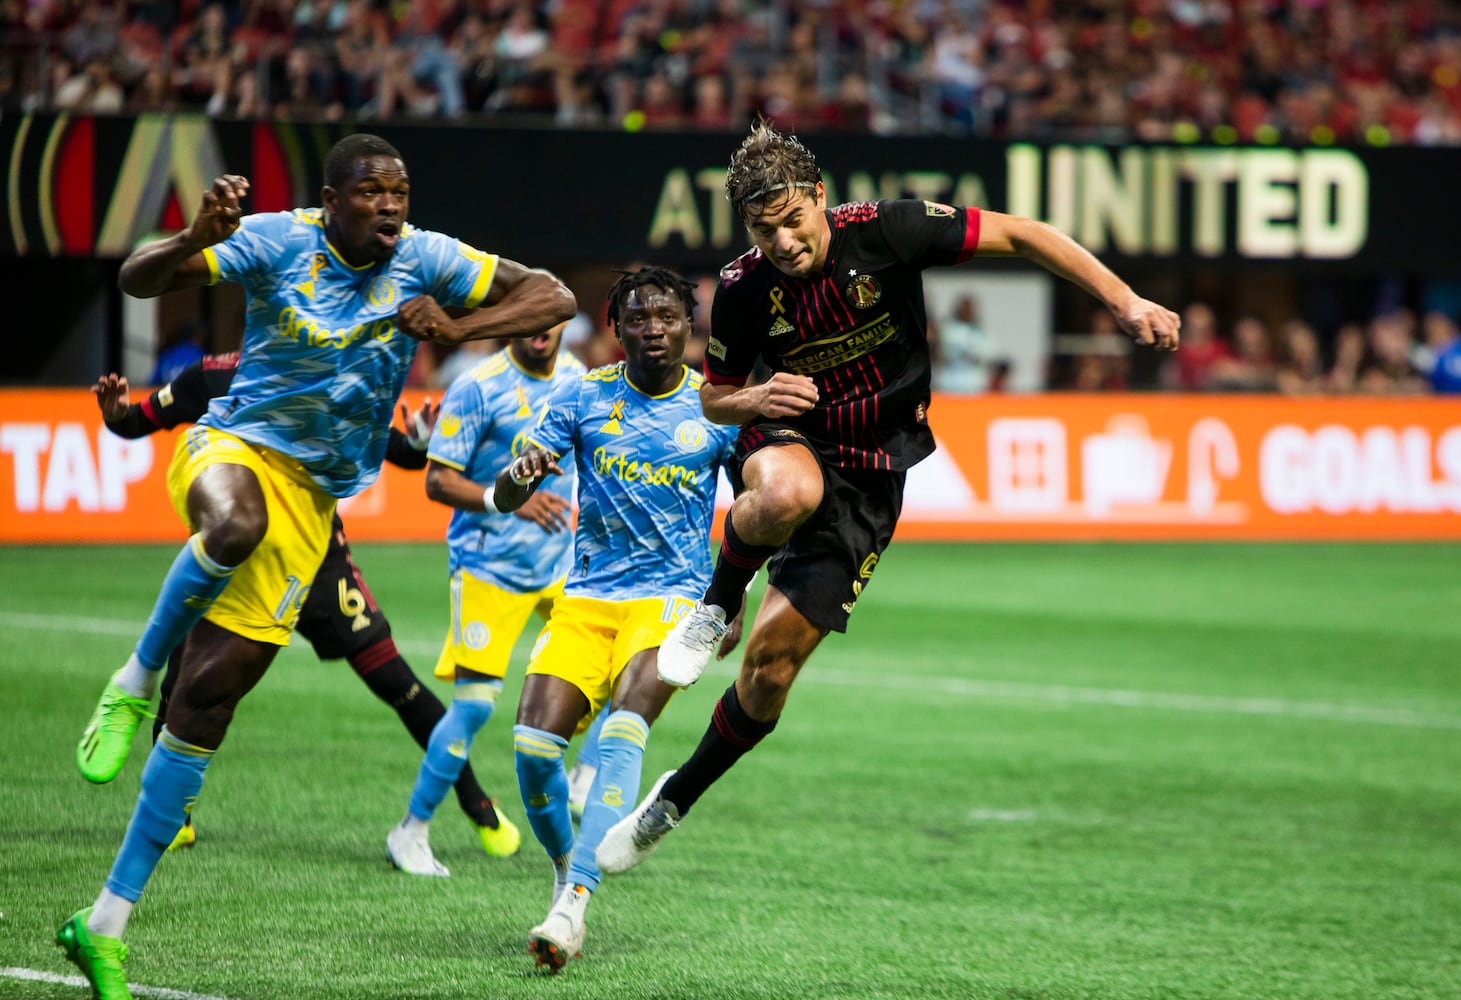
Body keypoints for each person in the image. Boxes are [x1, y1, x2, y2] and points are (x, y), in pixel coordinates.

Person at [59, 132, 575, 1000]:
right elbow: (136, 280)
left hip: (315, 501)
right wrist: (192, 240)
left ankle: (103, 923)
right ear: (329, 201)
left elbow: (550, 293)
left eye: (401, 192)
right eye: (373, 192)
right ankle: (134, 674)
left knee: (211, 700)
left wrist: (459, 325)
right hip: (235, 446)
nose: (391, 206)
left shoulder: (428, 258)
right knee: (231, 526)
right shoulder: (272, 239)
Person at [596, 120, 1178, 876]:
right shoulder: (742, 291)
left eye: (793, 221)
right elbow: (715, 401)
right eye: (764, 230)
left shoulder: (891, 232)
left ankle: (673, 800)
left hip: (874, 474)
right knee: (786, 492)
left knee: (770, 668)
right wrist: (762, 397)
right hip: (793, 441)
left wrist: (1123, 299)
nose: (783, 243)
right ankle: (714, 607)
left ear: (820, 199)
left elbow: (1029, 234)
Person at [89, 355, 521, 857]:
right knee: (187, 679)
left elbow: (401, 453)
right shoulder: (212, 377)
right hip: (241, 556)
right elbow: (137, 420)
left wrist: (421, 439)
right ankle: (174, 814)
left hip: (318, 562)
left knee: (395, 681)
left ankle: (478, 806)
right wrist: (115, 412)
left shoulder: (332, 380)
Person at [497, 267, 739, 972]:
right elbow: (506, 493)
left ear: (689, 328)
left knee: (625, 725)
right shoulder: (582, 394)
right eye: (638, 318)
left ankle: (573, 901)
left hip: (673, 600)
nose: (653, 329)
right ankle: (565, 867)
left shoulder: (717, 406)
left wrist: (732, 591)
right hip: (588, 597)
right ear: (617, 327)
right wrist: (523, 473)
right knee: (534, 751)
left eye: (667, 316)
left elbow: (755, 509)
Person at [384, 319, 586, 876]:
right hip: (487, 565)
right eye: (529, 318)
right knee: (473, 707)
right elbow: (436, 482)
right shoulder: (477, 386)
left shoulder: (578, 379)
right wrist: (510, 501)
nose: (541, 329)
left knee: (617, 670)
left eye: (552, 318)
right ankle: (411, 831)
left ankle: (583, 777)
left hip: (559, 562)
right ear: (511, 323)